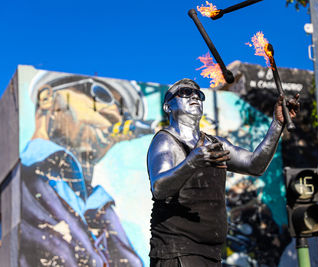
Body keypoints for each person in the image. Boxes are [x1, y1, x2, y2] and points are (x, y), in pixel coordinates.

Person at [147, 78, 299, 267]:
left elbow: (254, 165)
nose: (194, 95)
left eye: (198, 94)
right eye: (185, 92)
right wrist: (192, 162)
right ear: (168, 107)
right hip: (177, 250)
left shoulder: (215, 143)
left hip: (210, 252)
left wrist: (277, 124)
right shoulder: (165, 141)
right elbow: (159, 188)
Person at [20, 75, 150, 266]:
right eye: (100, 94)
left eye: (124, 113)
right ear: (47, 99)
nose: (115, 114)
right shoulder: (20, 176)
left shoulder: (101, 207)